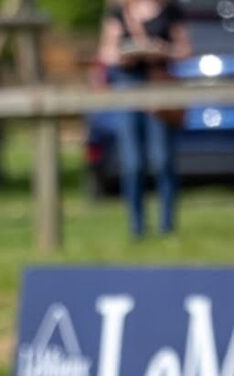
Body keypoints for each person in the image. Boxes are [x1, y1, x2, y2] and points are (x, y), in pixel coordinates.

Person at [98, 0, 191, 238]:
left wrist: (162, 50)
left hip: (159, 87)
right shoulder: (119, 11)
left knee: (162, 160)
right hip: (128, 88)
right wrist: (124, 54)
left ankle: (166, 226)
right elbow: (106, 52)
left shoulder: (170, 10)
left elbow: (185, 49)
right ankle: (136, 227)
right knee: (133, 164)